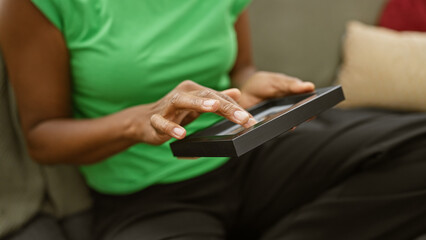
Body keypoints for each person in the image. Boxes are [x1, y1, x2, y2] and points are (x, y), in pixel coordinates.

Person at [0, 0, 425, 239]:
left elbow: (240, 69)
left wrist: (253, 84)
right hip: (148, 197)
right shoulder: (35, 5)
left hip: (249, 160)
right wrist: (137, 123)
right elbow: (42, 138)